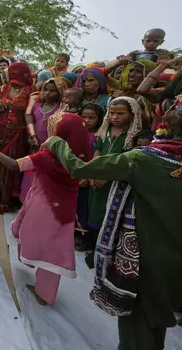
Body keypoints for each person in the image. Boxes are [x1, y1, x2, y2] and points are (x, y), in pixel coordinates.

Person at [44, 109, 182, 350]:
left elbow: (79, 168)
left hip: (146, 260)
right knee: (158, 317)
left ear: (165, 128)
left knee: (139, 329)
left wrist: (56, 143)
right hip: (174, 260)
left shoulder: (142, 160)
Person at [0, 111, 91, 306]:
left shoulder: (49, 154)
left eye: (53, 125)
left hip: (45, 205)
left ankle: (42, 290)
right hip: (64, 207)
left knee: (40, 243)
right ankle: (44, 289)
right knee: (52, 246)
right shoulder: (82, 151)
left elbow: (13, 164)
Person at [86, 97, 141, 266]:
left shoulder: (132, 136)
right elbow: (98, 151)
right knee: (93, 210)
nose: (115, 117)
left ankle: (105, 250)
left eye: (120, 113)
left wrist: (107, 178)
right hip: (97, 179)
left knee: (109, 213)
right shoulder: (106, 131)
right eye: (112, 113)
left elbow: (127, 163)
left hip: (116, 183)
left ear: (132, 115)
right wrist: (91, 172)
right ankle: (92, 246)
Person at [0, 62, 34, 213]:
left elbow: (30, 113)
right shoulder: (3, 88)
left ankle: (5, 199)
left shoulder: (30, 92)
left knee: (9, 166)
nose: (12, 75)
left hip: (16, 133)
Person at [20, 77, 64, 202]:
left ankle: (38, 204)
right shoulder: (36, 106)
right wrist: (32, 137)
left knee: (44, 178)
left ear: (59, 92)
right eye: (46, 90)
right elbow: (30, 122)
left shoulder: (60, 108)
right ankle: (25, 201)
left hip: (50, 150)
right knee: (30, 174)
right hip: (34, 146)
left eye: (52, 91)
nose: (48, 93)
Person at [75, 103, 105, 251]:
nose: (86, 120)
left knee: (85, 206)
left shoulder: (100, 137)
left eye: (91, 118)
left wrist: (88, 175)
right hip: (75, 174)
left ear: (99, 119)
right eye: (83, 117)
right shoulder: (76, 133)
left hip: (89, 176)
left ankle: (84, 236)